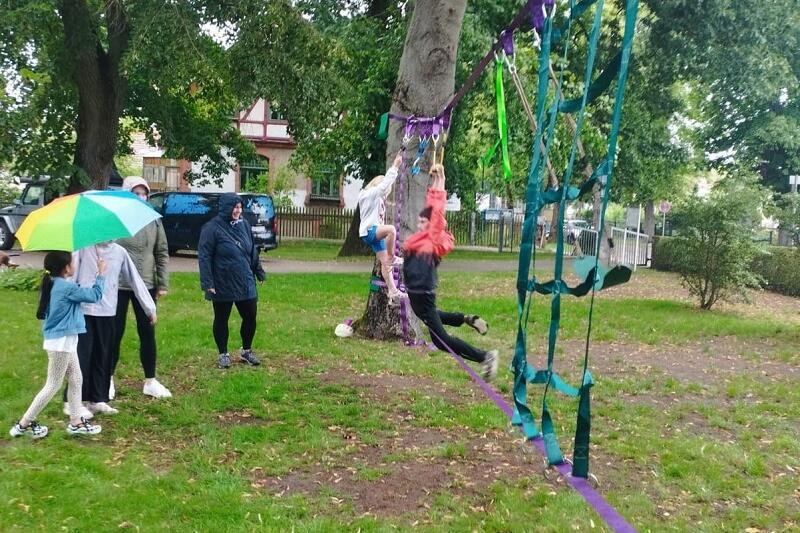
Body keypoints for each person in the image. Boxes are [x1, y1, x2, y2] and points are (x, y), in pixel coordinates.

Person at [402, 164, 499, 381]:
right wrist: (435, 180)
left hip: (423, 295)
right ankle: (465, 318)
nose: (420, 224)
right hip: (417, 297)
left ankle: (485, 356)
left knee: (442, 341)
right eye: (419, 221)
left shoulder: (433, 238)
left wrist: (442, 179)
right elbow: (430, 207)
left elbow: (436, 208)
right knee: (433, 321)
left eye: (424, 222)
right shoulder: (421, 239)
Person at [10, 252, 103, 439]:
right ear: (66, 268)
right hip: (61, 342)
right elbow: (94, 295)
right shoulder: (65, 287)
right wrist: (101, 274)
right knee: (53, 384)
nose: (74, 266)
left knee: (76, 378)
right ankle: (23, 424)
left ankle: (76, 422)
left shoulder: (54, 283)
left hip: (64, 340)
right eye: (72, 263)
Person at [65, 242, 156, 416]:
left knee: (103, 355)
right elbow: (71, 276)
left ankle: (97, 399)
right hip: (83, 310)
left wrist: (149, 308)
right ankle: (73, 401)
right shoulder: (83, 249)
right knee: (82, 356)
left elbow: (135, 279)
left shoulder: (120, 252)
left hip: (107, 311)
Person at [110, 176, 171, 399]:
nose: (141, 197)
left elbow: (161, 252)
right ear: (127, 194)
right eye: (136, 193)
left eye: (144, 193)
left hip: (145, 284)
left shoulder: (153, 220)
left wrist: (162, 283)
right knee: (114, 333)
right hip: (117, 285)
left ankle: (150, 381)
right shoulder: (115, 219)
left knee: (147, 332)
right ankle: (107, 379)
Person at [198, 193, 266, 369]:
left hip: (245, 280)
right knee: (221, 318)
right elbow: (204, 256)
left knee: (250, 316)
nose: (238, 211)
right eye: (235, 207)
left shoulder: (244, 225)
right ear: (226, 208)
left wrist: (259, 271)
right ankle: (223, 354)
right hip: (222, 282)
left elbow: (252, 250)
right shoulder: (211, 228)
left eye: (240, 207)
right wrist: (207, 283)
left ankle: (246, 351)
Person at [358, 152, 405, 303]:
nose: (385, 195)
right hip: (369, 231)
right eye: (385, 193)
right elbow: (383, 186)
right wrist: (395, 166)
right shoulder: (368, 194)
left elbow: (384, 188)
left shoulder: (376, 197)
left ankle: (392, 291)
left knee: (386, 264)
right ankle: (392, 257)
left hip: (374, 232)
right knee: (391, 230)